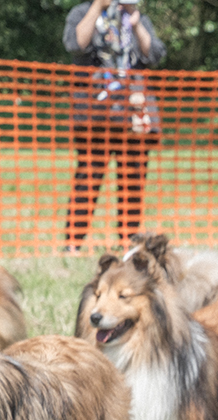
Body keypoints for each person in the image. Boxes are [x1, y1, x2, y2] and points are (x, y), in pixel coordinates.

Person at [63, 0, 165, 248]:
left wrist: (136, 21)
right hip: (95, 114)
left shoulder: (136, 17)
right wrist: (98, 6)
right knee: (88, 177)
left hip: (134, 114)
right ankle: (74, 241)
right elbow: (75, 44)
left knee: (133, 180)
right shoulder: (81, 12)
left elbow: (155, 54)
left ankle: (129, 240)